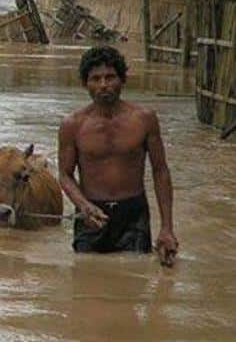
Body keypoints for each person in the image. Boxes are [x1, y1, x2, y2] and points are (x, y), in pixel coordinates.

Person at [58, 46, 178, 267]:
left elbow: (160, 172)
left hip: (133, 215)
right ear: (85, 84)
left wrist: (167, 228)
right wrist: (83, 205)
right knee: (84, 282)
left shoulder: (144, 119)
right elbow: (65, 175)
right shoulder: (72, 125)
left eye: (110, 77)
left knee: (135, 279)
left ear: (122, 80)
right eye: (95, 78)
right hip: (90, 215)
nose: (103, 85)